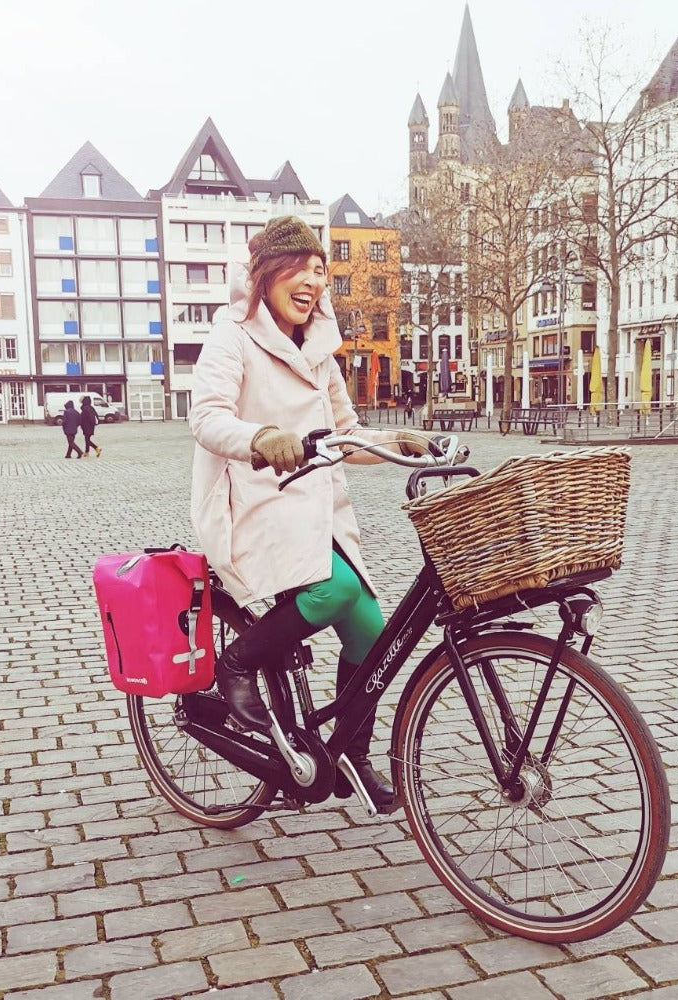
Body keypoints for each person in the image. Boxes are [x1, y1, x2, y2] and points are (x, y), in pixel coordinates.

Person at [189, 216, 434, 807]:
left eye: (320, 271)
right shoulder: (232, 335)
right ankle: (236, 663)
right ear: (268, 273)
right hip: (256, 501)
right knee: (337, 589)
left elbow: (346, 434)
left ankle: (350, 753)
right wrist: (261, 438)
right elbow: (206, 417)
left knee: (373, 634)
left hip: (315, 510)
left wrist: (397, 441)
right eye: (301, 268)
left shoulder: (321, 352)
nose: (313, 282)